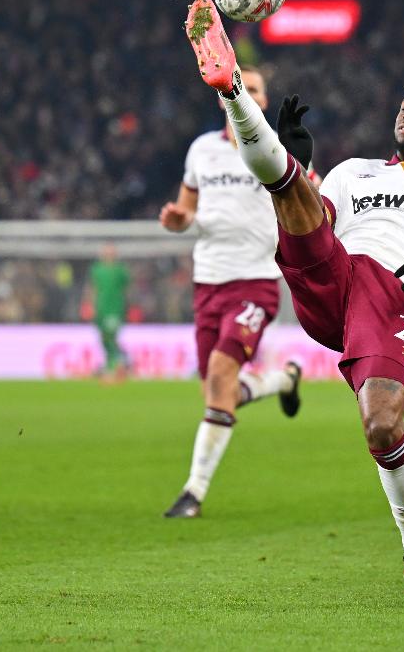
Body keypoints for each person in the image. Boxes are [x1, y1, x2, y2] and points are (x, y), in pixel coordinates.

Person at [185, 0, 404, 610]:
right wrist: (304, 165)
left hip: (393, 298)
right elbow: (313, 218)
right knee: (287, 185)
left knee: (382, 425)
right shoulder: (352, 172)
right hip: (332, 281)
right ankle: (231, 93)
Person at [160, 63, 302, 519]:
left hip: (256, 281)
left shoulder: (274, 151)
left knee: (221, 375)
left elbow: (307, 197)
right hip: (208, 281)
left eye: (254, 88)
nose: (244, 93)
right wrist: (179, 221)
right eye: (238, 86)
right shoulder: (201, 150)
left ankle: (193, 493)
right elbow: (186, 210)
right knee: (216, 395)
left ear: (261, 101)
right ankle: (282, 379)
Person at [83, 243, 130, 382]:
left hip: (115, 309)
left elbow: (126, 290)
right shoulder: (96, 269)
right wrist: (88, 305)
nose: (109, 254)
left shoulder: (121, 270)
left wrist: (128, 307)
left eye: (111, 252)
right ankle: (120, 362)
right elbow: (92, 288)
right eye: (107, 252)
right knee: (104, 338)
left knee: (110, 337)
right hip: (100, 309)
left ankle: (113, 368)